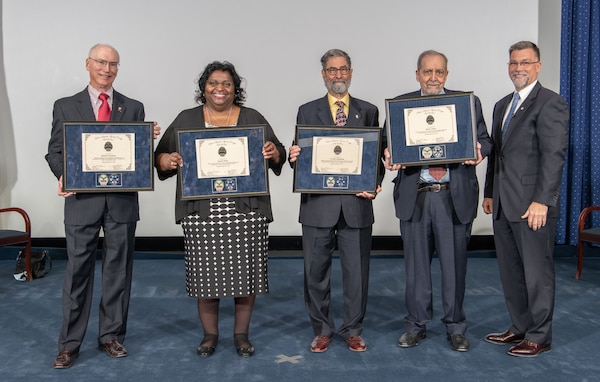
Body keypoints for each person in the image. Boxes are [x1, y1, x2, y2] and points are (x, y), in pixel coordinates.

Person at [154, 61, 285, 358]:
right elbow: (160, 157)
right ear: (203, 88)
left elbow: (278, 154)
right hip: (201, 212)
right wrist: (167, 161)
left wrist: (273, 152)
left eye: (226, 83)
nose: (220, 89)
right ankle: (210, 335)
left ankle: (241, 335)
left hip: (246, 210)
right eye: (214, 83)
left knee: (245, 276)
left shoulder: (252, 117)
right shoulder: (186, 119)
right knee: (205, 277)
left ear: (235, 89)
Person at [46, 43, 160, 369]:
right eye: (101, 62)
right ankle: (69, 345)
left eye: (113, 64)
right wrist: (64, 175)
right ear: (88, 64)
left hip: (121, 203)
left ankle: (111, 336)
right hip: (82, 202)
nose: (107, 68)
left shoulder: (133, 108)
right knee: (77, 274)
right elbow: (55, 152)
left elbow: (137, 159)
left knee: (118, 274)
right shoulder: (66, 106)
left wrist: (144, 140)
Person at [383, 50, 492, 352]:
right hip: (416, 196)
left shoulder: (467, 103)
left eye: (439, 72)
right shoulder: (400, 105)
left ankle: (455, 327)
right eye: (427, 72)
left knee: (455, 268)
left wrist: (478, 148)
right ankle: (416, 325)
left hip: (452, 196)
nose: (433, 78)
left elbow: (485, 139)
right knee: (416, 268)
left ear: (447, 74)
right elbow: (385, 144)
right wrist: (389, 154)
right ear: (417, 74)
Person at [288, 48, 383, 353]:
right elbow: (301, 154)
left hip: (356, 204)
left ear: (351, 72)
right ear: (323, 75)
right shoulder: (307, 110)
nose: (338, 75)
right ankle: (322, 329)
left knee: (357, 273)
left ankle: (353, 329)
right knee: (315, 273)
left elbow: (376, 156)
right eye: (332, 70)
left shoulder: (367, 111)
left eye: (343, 69)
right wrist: (293, 158)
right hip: (318, 204)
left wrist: (375, 182)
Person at [482, 41, 569, 357]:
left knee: (537, 273)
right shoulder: (502, 104)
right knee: (512, 272)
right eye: (513, 62)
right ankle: (519, 327)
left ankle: (539, 335)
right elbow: (498, 155)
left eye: (525, 62)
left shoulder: (550, 103)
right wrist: (490, 192)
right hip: (504, 204)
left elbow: (553, 156)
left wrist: (542, 201)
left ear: (538, 65)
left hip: (533, 206)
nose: (518, 68)